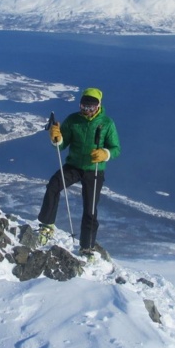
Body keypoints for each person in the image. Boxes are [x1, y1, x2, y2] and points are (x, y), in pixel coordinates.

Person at [37, 87, 121, 257]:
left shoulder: (107, 123)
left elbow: (116, 148)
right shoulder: (73, 120)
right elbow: (61, 145)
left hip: (94, 169)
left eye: (91, 107)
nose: (87, 110)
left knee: (90, 208)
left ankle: (86, 247)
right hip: (74, 166)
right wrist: (57, 138)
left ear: (98, 106)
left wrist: (105, 153)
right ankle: (47, 225)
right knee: (53, 186)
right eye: (84, 106)